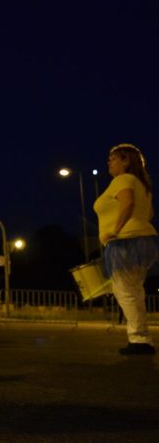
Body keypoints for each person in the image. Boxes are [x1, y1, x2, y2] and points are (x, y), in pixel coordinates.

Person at [94, 143, 159, 355]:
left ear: (126, 161)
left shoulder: (122, 180)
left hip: (125, 241)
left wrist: (115, 230)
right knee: (134, 290)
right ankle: (142, 337)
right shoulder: (142, 184)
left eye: (113, 158)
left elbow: (127, 203)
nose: (109, 162)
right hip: (142, 240)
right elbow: (149, 214)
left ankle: (139, 339)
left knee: (124, 290)